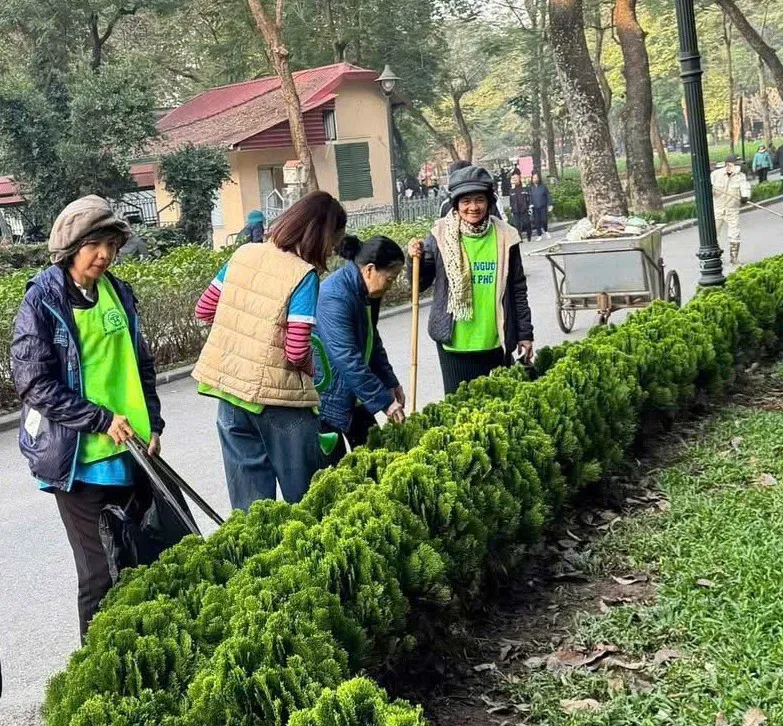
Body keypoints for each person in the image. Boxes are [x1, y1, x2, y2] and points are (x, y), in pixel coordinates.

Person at [11, 195, 164, 641]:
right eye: (95, 244)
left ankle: (143, 653)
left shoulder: (118, 292)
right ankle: (98, 664)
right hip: (78, 460)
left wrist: (153, 423)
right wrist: (100, 420)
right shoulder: (42, 300)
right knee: (99, 575)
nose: (104, 255)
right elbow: (34, 384)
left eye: (112, 245)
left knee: (138, 561)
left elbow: (141, 364)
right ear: (71, 247)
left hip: (132, 450)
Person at [192, 191, 346, 511]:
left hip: (231, 397)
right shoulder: (302, 275)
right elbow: (296, 350)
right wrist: (311, 368)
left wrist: (246, 332)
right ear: (320, 234)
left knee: (253, 512)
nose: (332, 250)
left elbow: (204, 310)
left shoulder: (243, 254)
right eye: (334, 241)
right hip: (281, 403)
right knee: (306, 503)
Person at [407, 165, 534, 395]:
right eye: (466, 201)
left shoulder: (506, 236)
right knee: (459, 408)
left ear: (489, 202)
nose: (473, 207)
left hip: (495, 342)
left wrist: (525, 334)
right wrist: (413, 258)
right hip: (454, 346)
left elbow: (517, 289)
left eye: (479, 200)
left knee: (498, 408)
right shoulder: (440, 235)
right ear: (456, 204)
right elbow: (420, 283)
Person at [315, 235, 405, 463]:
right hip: (330, 397)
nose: (391, 286)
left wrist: (391, 383)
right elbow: (347, 357)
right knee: (337, 468)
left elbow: (372, 341)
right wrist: (385, 402)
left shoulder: (365, 291)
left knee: (375, 459)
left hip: (356, 391)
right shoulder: (335, 296)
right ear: (370, 270)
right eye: (390, 279)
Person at [711, 154, 751, 265]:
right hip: (717, 208)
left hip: (732, 209)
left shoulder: (741, 176)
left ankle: (734, 258)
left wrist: (745, 197)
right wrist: (710, 190)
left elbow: (745, 187)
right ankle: (716, 256)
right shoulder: (716, 174)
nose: (738, 167)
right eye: (736, 164)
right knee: (714, 233)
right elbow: (709, 188)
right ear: (728, 165)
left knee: (735, 233)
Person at [508, 169, 532, 243]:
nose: (515, 180)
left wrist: (530, 206)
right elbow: (511, 201)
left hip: (524, 209)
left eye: (516, 178)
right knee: (517, 225)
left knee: (527, 223)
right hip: (516, 210)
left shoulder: (525, 188)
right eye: (513, 178)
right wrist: (511, 209)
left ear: (519, 178)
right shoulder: (512, 190)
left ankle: (529, 236)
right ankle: (520, 238)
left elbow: (529, 198)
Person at [529, 171, 553, 241]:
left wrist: (550, 204)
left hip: (543, 206)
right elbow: (529, 197)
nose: (535, 179)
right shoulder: (531, 188)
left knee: (544, 220)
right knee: (537, 222)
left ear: (539, 178)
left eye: (536, 178)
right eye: (534, 178)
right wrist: (530, 205)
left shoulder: (543, 187)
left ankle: (546, 231)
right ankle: (539, 234)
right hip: (535, 207)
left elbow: (548, 195)